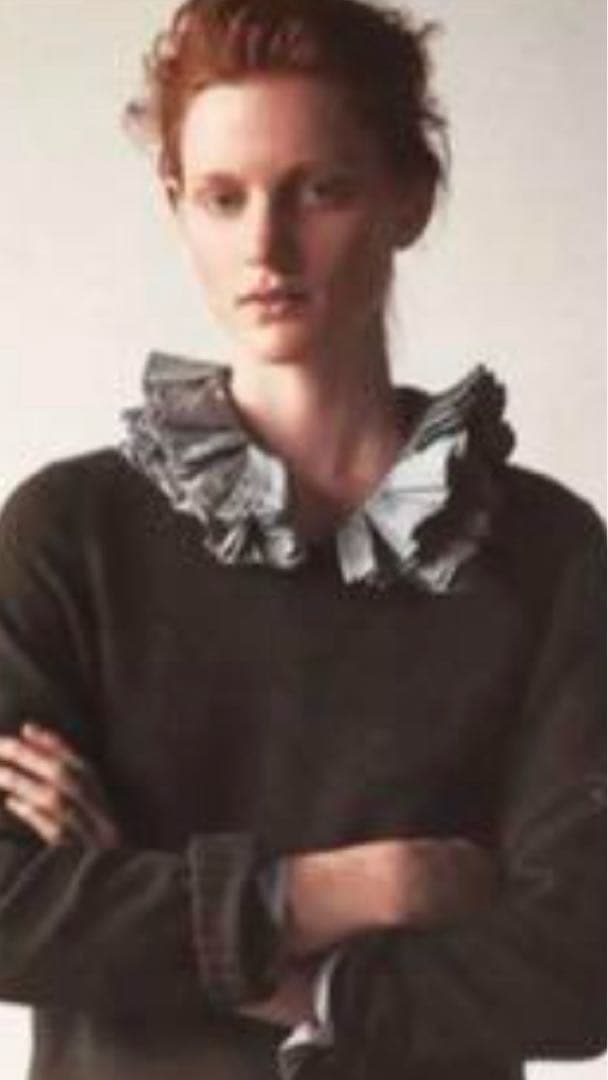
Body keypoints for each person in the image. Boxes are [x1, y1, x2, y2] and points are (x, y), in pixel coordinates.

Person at [0, 0, 604, 1078]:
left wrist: (197, 926)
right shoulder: (69, 534)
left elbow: (576, 975)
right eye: (223, 198)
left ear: (409, 198)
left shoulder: (545, 552)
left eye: (320, 190)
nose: (265, 246)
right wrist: (365, 887)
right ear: (175, 205)